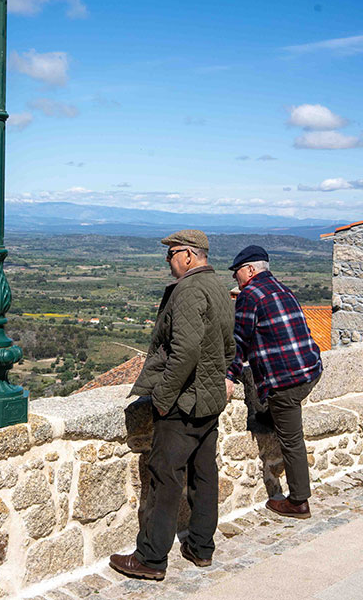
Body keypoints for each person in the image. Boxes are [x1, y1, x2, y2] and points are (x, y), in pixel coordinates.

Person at [109, 229, 235, 581]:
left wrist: (163, 398)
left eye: (172, 253)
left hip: (183, 403)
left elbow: (184, 352)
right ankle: (200, 547)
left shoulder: (190, 290)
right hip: (209, 399)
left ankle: (150, 558)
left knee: (165, 479)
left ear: (190, 256)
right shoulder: (218, 287)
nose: (168, 259)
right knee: (204, 476)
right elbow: (228, 347)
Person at [225, 245, 322, 519]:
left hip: (286, 380)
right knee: (279, 415)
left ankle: (299, 501)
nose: (236, 278)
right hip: (311, 369)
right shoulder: (282, 288)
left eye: (238, 272)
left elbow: (239, 341)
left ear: (251, 270)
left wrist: (229, 375)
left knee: (291, 440)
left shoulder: (250, 295)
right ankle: (270, 415)